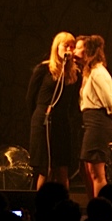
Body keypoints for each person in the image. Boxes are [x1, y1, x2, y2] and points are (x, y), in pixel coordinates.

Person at [27, 31, 79, 189]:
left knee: (62, 170)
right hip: (44, 121)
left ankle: (63, 200)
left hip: (62, 124)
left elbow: (74, 103)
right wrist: (38, 116)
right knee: (46, 169)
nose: (69, 50)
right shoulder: (44, 69)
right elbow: (30, 98)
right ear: (57, 47)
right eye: (66, 46)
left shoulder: (75, 73)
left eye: (72, 47)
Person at [75, 35, 112, 198]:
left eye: (79, 48)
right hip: (90, 121)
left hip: (99, 122)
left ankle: (101, 206)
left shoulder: (98, 73)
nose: (75, 51)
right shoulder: (89, 73)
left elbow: (110, 101)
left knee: (96, 171)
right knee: (85, 169)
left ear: (88, 51)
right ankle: (93, 202)